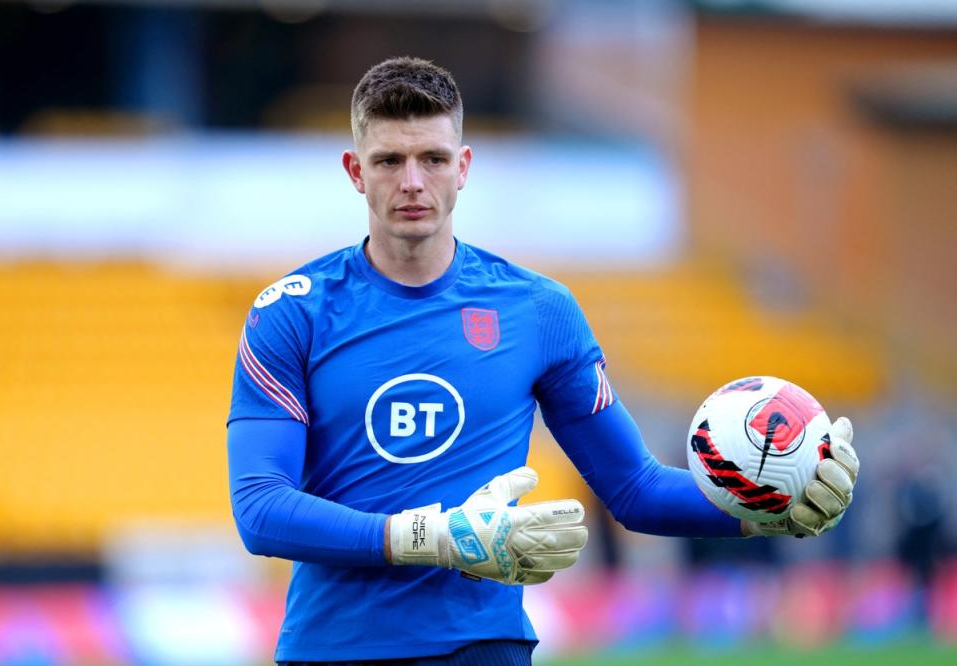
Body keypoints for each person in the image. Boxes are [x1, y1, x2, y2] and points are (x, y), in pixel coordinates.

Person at [226, 57, 859, 666]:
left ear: (464, 166)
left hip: (481, 647)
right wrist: (432, 538)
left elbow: (635, 489)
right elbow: (259, 507)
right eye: (389, 160)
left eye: (433, 159)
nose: (412, 181)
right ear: (355, 171)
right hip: (331, 650)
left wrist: (770, 508)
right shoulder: (291, 313)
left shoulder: (539, 310)